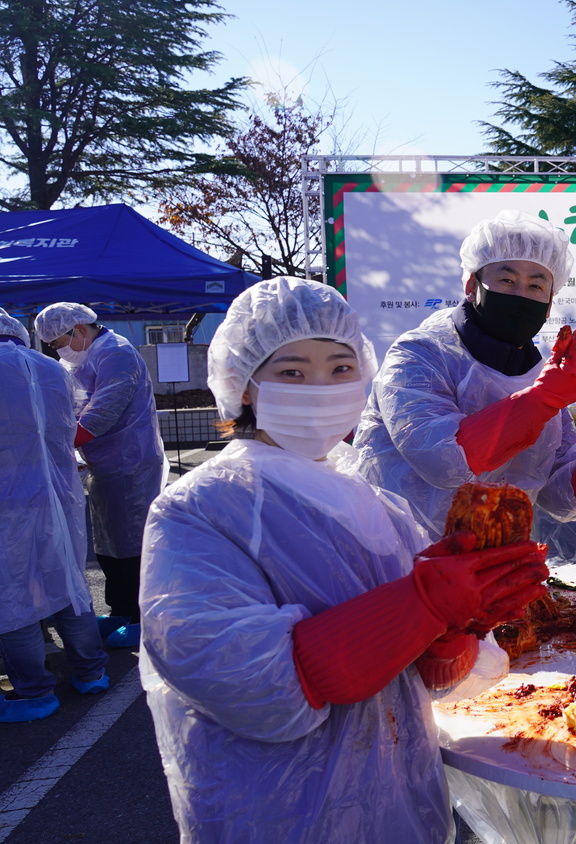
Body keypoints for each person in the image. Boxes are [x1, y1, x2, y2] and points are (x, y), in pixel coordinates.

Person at [139, 277, 551, 842]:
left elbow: (425, 683)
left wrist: (457, 628)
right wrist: (422, 604)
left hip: (400, 803)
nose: (320, 386)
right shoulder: (201, 508)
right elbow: (247, 681)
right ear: (245, 386)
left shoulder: (377, 505)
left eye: (339, 368)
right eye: (291, 372)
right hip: (277, 810)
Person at [353, 210, 576, 540]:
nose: (520, 294)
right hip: (399, 559)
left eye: (536, 285)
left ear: (549, 304)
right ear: (472, 284)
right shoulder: (420, 354)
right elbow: (442, 459)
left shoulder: (537, 373)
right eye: (506, 280)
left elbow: (563, 497)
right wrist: (542, 399)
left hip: (497, 565)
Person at [0, 308, 109, 722]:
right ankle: (90, 671)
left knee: (14, 595)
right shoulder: (53, 369)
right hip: (60, 495)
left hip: (8, 502)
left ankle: (34, 692)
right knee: (67, 581)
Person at [35, 301, 165, 648]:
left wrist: (62, 442)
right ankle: (121, 609)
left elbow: (102, 411)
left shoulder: (115, 353)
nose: (58, 349)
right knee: (108, 540)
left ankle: (142, 618)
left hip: (131, 461)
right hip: (103, 461)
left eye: (58, 342)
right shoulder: (88, 355)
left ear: (78, 330)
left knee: (134, 541)